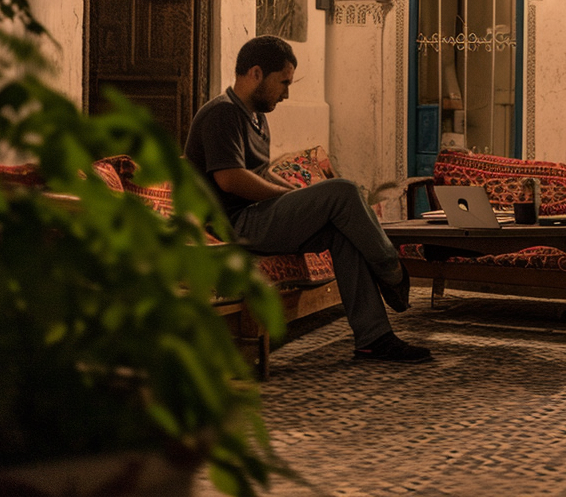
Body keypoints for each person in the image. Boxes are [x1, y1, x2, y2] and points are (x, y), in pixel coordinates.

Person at [185, 35, 432, 363]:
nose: (286, 94)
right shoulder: (223, 114)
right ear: (256, 73)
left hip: (259, 216)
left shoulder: (256, 116)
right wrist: (286, 196)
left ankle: (374, 338)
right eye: (283, 83)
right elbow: (230, 179)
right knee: (343, 191)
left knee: (343, 234)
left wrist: (294, 195)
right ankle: (391, 269)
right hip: (235, 224)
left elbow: (259, 171)